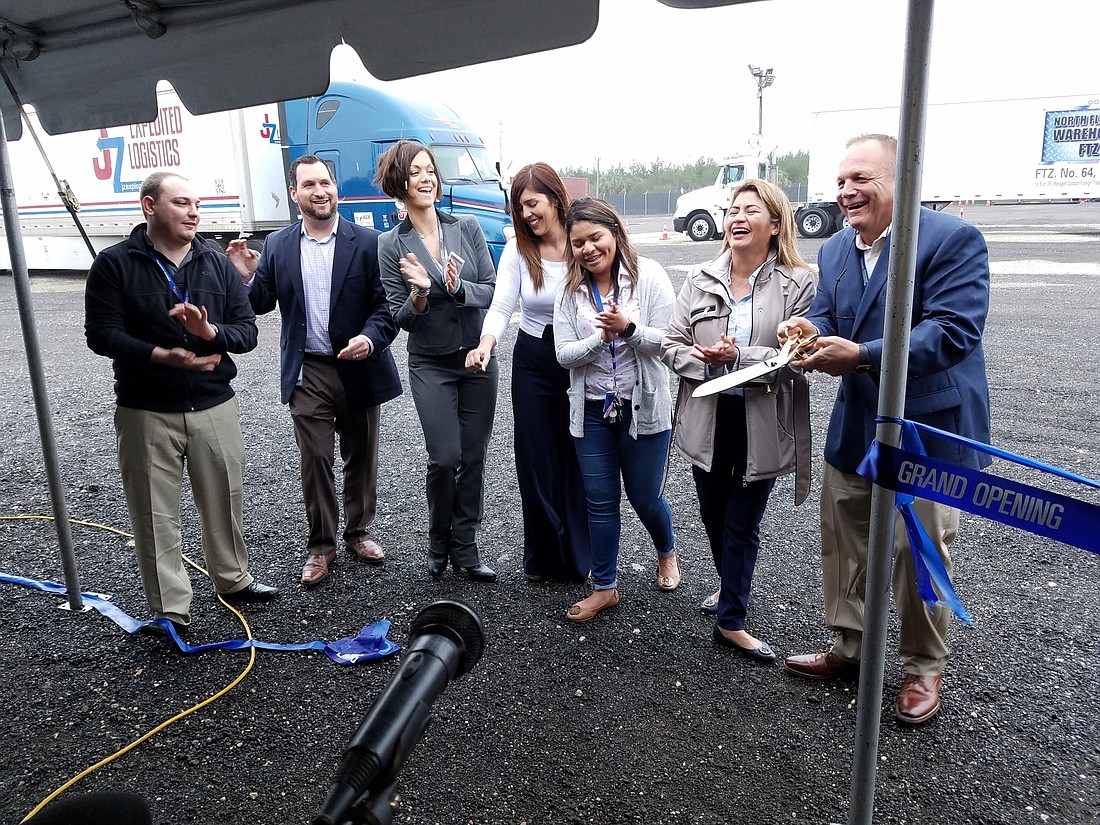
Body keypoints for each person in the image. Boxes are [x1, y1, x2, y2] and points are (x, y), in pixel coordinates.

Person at [780, 134, 991, 723]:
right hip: (856, 423)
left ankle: (923, 667)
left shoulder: (952, 240)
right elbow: (828, 314)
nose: (846, 192)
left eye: (860, 180)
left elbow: (951, 333)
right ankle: (850, 647)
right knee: (844, 536)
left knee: (917, 549)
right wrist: (805, 327)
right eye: (841, 181)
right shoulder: (835, 251)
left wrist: (864, 356)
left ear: (902, 181)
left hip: (927, 426)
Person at [85, 171, 278, 635]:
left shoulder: (215, 263)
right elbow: (102, 335)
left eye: (197, 203)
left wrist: (209, 334)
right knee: (153, 513)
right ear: (150, 207)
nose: (194, 212)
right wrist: (161, 355)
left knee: (225, 498)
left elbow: (247, 332)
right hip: (146, 407)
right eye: (181, 203)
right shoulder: (115, 264)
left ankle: (232, 580)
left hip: (213, 403)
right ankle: (171, 609)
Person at [226, 155, 402, 587]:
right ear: (294, 194)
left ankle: (358, 532)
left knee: (360, 456)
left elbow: (387, 306)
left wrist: (371, 338)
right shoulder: (278, 245)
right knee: (317, 458)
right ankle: (321, 546)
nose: (319, 191)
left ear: (335, 188)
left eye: (325, 182)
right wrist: (243, 278)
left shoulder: (369, 242)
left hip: (357, 363)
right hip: (309, 368)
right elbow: (259, 303)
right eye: (308, 185)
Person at [661, 179, 816, 664]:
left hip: (762, 418)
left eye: (751, 209)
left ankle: (732, 620)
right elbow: (669, 342)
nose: (737, 218)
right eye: (732, 210)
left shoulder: (799, 280)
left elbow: (797, 353)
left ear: (775, 223)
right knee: (712, 513)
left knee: (743, 521)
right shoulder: (700, 277)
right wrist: (706, 360)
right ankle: (730, 585)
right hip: (708, 413)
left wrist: (737, 357)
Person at [375, 140, 498, 582]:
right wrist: (422, 292)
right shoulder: (391, 244)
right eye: (415, 172)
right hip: (430, 363)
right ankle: (437, 540)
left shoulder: (467, 226)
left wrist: (457, 285)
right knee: (445, 456)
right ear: (399, 183)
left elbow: (491, 288)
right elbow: (400, 317)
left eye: (430, 170)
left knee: (475, 455)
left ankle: (465, 545)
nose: (426, 178)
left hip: (477, 358)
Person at [465, 163, 591, 582]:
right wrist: (485, 345)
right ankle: (542, 556)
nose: (526, 214)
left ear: (556, 199)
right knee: (536, 457)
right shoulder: (519, 250)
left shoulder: (582, 242)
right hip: (535, 358)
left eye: (533, 203)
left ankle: (579, 558)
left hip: (580, 358)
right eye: (519, 207)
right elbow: (502, 305)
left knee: (577, 456)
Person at [554, 197, 677, 622]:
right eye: (577, 242)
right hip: (591, 410)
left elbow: (669, 344)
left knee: (645, 498)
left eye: (595, 237)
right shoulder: (570, 291)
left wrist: (628, 329)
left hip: (644, 409)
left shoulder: (650, 278)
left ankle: (666, 550)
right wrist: (599, 341)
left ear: (615, 234)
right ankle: (605, 586)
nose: (587, 249)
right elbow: (564, 355)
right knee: (600, 500)